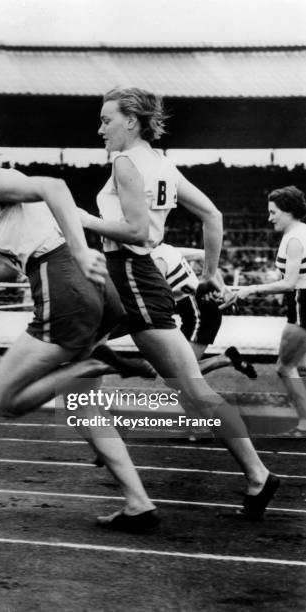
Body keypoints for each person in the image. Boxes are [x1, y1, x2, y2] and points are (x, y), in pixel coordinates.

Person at [0, 124, 159, 532]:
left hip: (66, 286)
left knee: (6, 401)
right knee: (84, 410)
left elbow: (57, 186)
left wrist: (82, 252)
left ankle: (89, 365)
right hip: (92, 293)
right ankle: (139, 503)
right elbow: (3, 267)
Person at [79, 87, 279, 522]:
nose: (100, 129)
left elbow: (134, 231)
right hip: (131, 277)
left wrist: (84, 218)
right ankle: (111, 450)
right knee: (81, 362)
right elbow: (213, 216)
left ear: (131, 121)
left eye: (106, 120)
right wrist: (208, 274)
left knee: (190, 389)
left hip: (130, 273)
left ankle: (119, 463)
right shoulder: (161, 163)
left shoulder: (126, 162)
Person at [229, 186, 306, 437]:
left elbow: (289, 283)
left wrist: (251, 290)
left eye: (273, 212)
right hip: (299, 300)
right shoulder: (300, 233)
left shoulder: (295, 239)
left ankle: (305, 424)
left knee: (285, 367)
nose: (269, 217)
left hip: (301, 302)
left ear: (288, 212)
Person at [151, 242, 256, 378]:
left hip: (199, 314)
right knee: (173, 367)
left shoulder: (155, 258)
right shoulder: (167, 249)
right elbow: (204, 255)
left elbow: (157, 296)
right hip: (197, 311)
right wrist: (222, 288)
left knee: (180, 372)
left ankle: (226, 359)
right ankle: (227, 358)